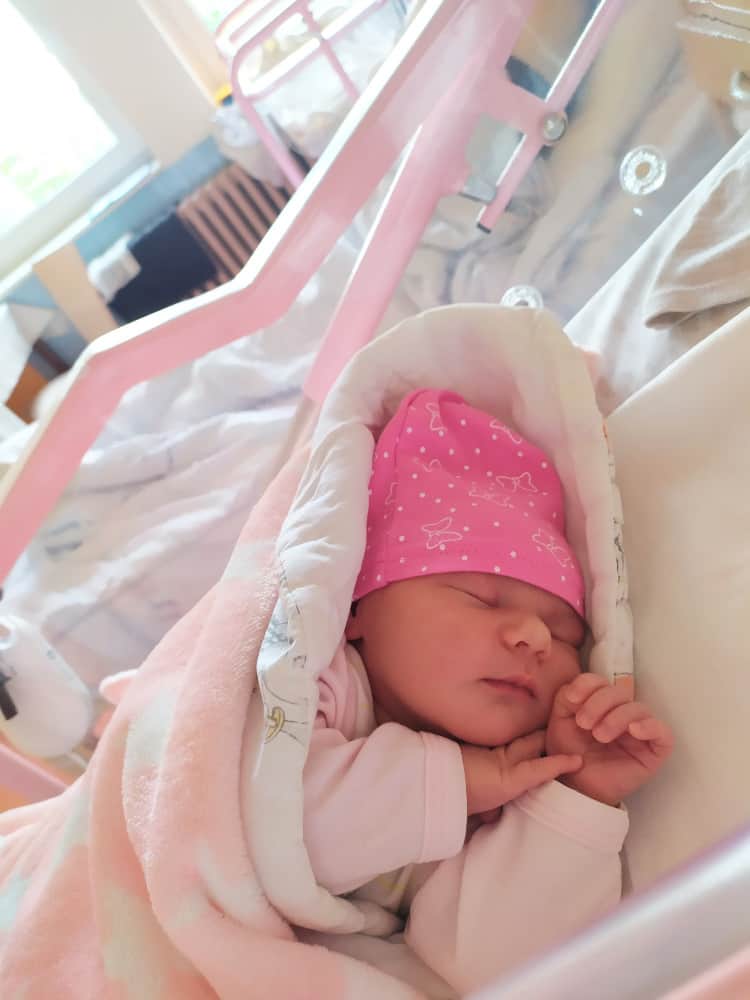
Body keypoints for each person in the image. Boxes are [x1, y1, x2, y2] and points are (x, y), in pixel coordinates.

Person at [301, 388, 672, 994]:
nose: (535, 638)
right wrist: (460, 782)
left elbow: (494, 965)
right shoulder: (317, 685)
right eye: (481, 598)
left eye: (563, 633)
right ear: (356, 608)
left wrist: (577, 797)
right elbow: (278, 829)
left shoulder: (509, 783)